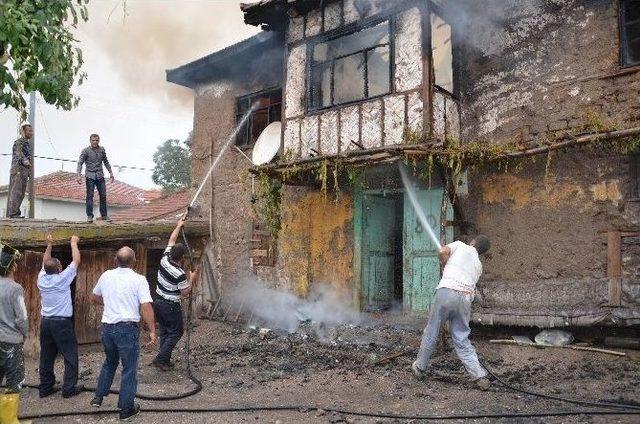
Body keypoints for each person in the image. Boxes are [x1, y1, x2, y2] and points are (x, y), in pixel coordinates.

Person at [411, 235, 492, 390]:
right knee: (461, 338)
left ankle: (420, 367)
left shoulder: (460, 245)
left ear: (473, 242)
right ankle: (479, 376)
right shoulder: (478, 265)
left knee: (432, 331)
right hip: (466, 298)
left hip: (447, 291)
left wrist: (444, 263)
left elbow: (442, 251)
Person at [90, 246, 156, 420]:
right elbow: (146, 306)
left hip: (107, 328)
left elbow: (95, 297)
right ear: (134, 261)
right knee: (129, 369)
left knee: (110, 362)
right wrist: (152, 330)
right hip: (126, 329)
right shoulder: (139, 279)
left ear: (115, 261)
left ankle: (98, 396)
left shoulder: (106, 276)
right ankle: (126, 409)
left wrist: (111, 304)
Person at [37, 234, 83, 398]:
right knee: (70, 355)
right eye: (60, 266)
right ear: (58, 270)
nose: (63, 267)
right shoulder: (63, 279)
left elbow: (45, 261)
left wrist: (49, 245)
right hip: (61, 323)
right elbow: (76, 261)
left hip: (46, 323)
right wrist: (73, 243)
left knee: (46, 356)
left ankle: (45, 388)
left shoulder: (41, 279)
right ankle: (69, 389)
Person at [151, 217, 196, 371]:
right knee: (176, 332)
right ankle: (160, 359)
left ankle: (164, 360)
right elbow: (185, 293)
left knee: (165, 332)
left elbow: (172, 239)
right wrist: (192, 279)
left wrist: (179, 225)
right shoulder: (180, 273)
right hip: (170, 305)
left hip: (158, 301)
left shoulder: (164, 258)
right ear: (182, 258)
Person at [0, 246, 28, 423]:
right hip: (11, 342)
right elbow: (22, 318)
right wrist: (25, 334)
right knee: (13, 381)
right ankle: (9, 421)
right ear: (12, 267)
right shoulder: (16, 289)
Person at [76, 133, 114, 223]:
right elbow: (80, 163)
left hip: (100, 175)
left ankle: (104, 215)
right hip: (90, 176)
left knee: (103, 195)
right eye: (93, 140)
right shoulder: (85, 151)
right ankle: (90, 215)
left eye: (97, 140)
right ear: (90, 141)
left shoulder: (102, 150)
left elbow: (106, 161)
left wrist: (111, 172)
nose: (95, 142)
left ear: (99, 141)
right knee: (90, 196)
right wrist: (78, 175)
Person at [6, 124, 33, 218]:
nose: (31, 132)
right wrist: (25, 161)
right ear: (23, 131)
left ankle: (16, 213)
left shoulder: (27, 143)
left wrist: (28, 171)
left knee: (21, 193)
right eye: (29, 130)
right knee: (16, 191)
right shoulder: (19, 142)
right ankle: (13, 213)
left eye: (31, 131)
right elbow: (18, 153)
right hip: (18, 169)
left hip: (24, 170)